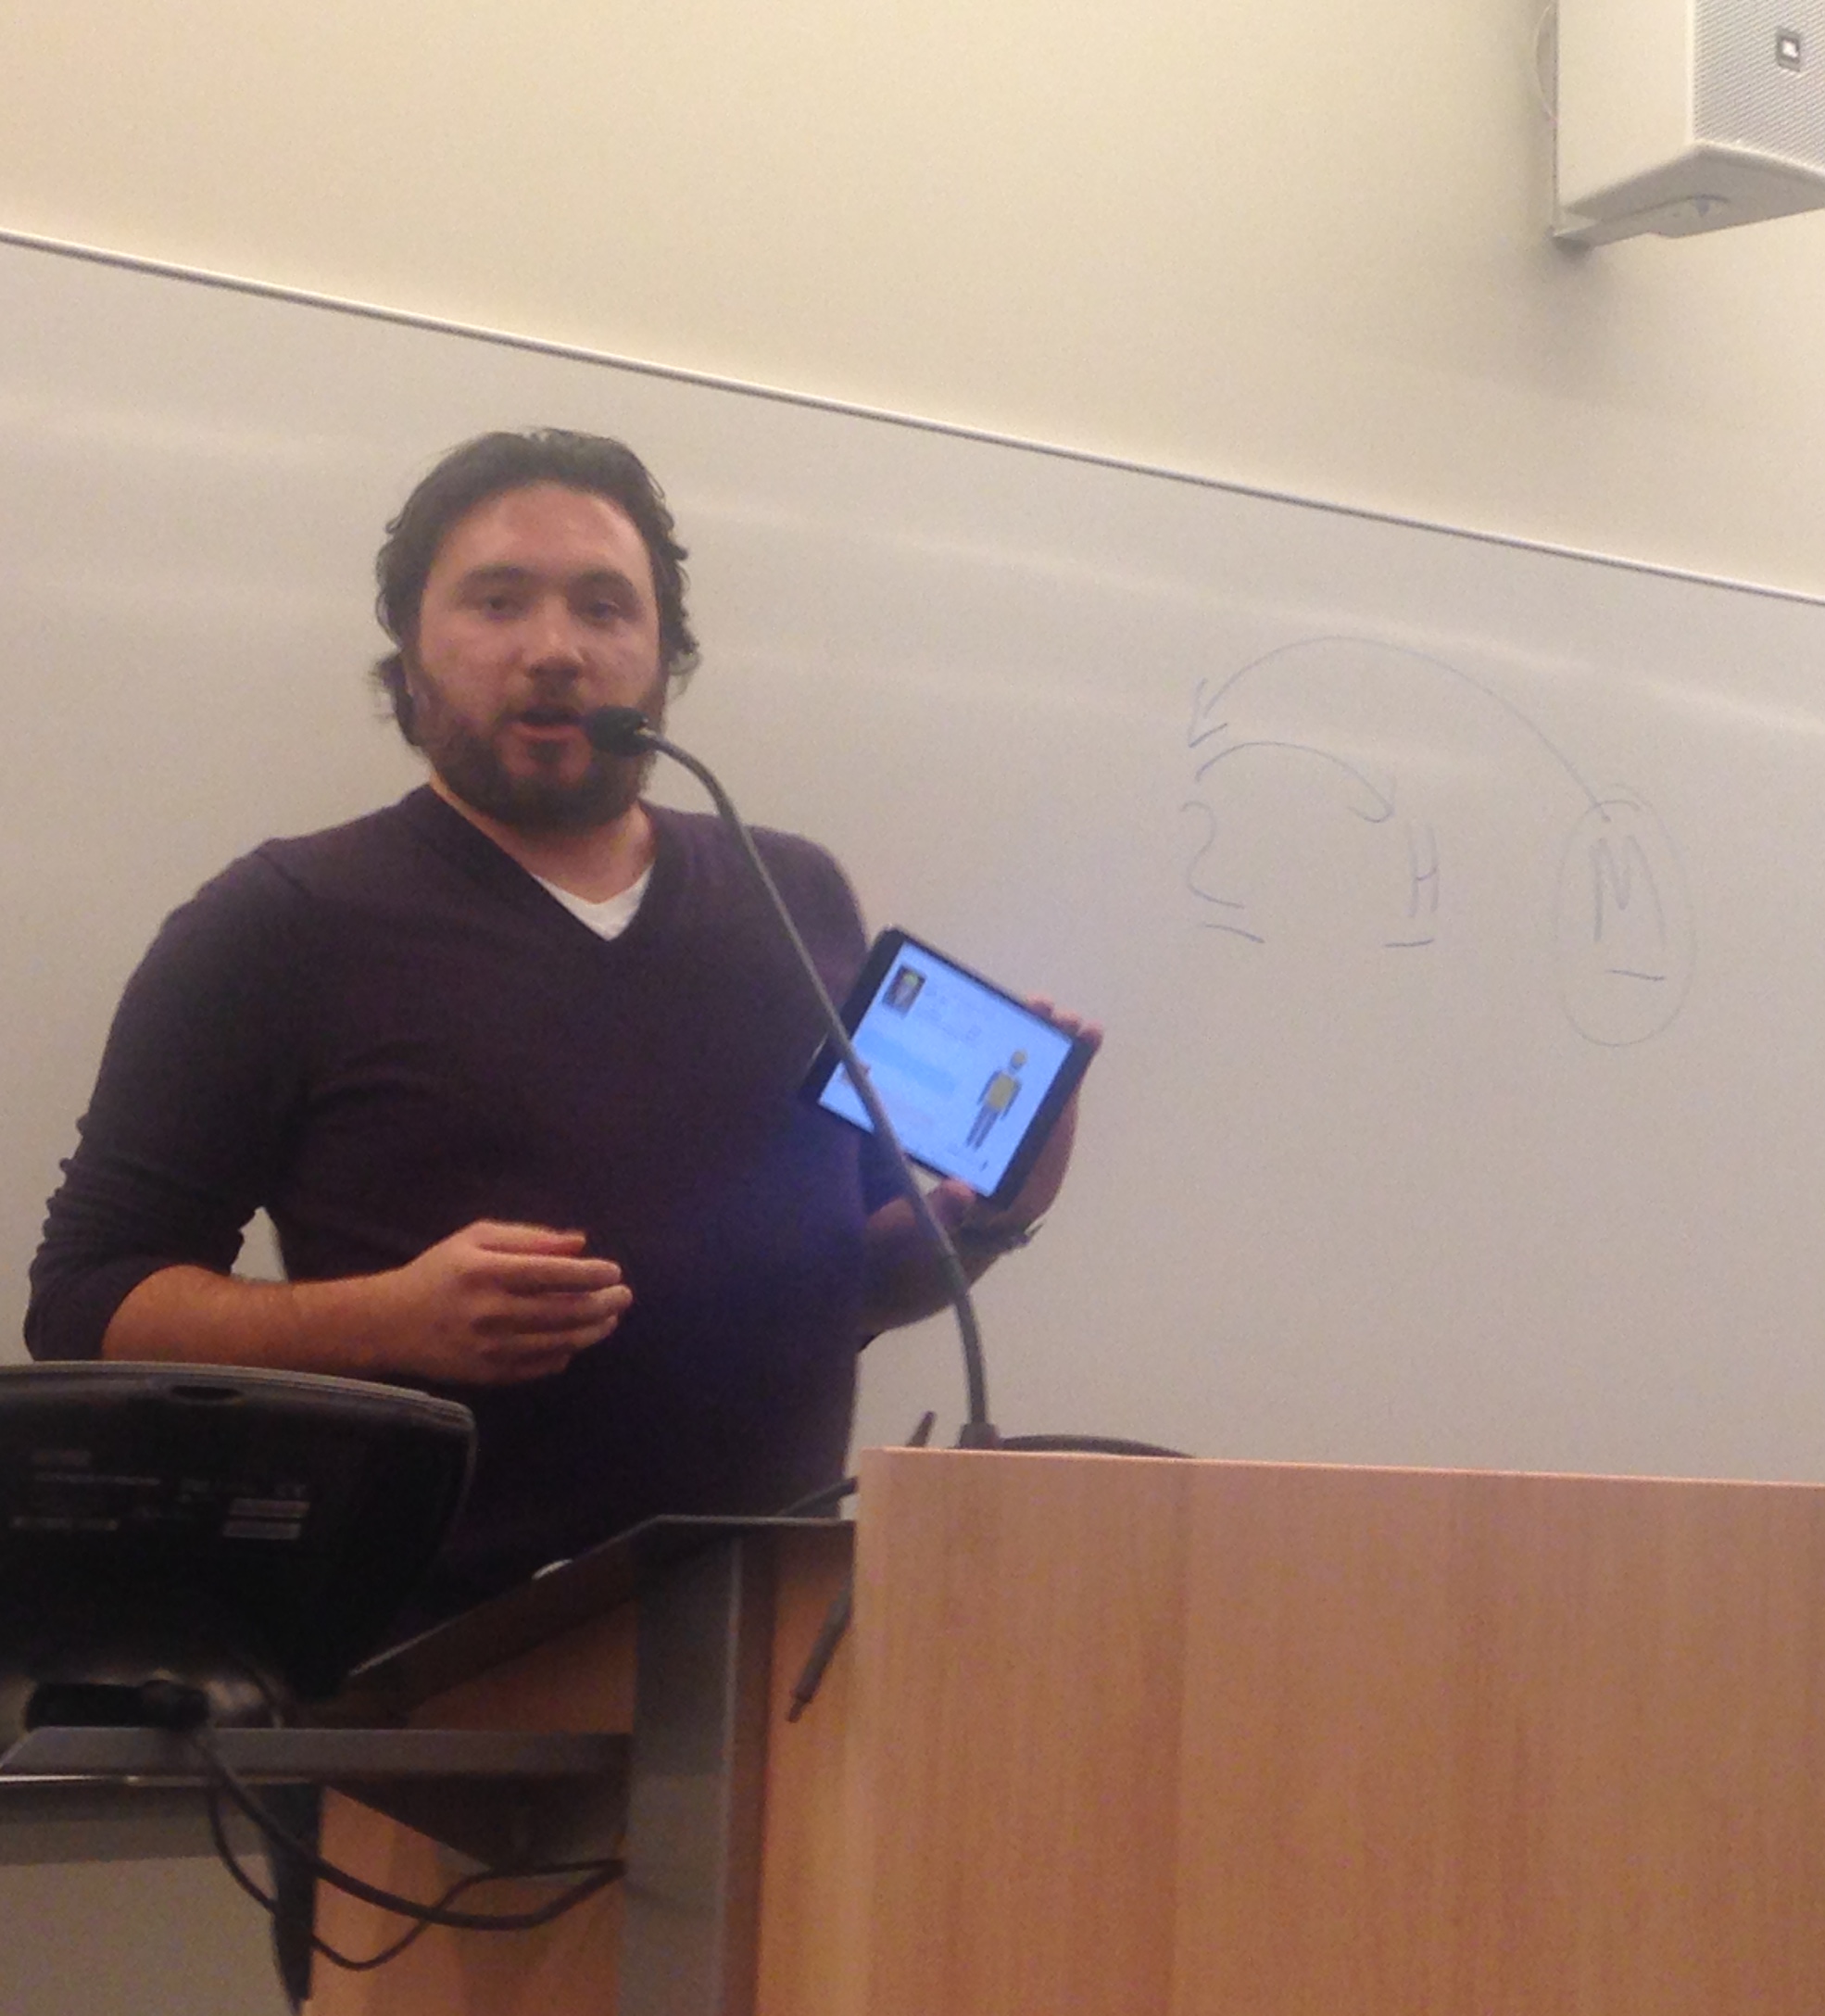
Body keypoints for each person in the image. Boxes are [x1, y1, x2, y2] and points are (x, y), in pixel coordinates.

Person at [25, 428, 1084, 1623]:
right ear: (411, 655)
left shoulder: (794, 895)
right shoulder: (280, 924)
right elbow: (84, 1304)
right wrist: (387, 1321)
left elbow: (839, 1295)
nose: (555, 650)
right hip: (424, 1672)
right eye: (497, 602)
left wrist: (990, 1218)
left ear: (664, 658)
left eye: (603, 607)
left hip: (762, 1645)